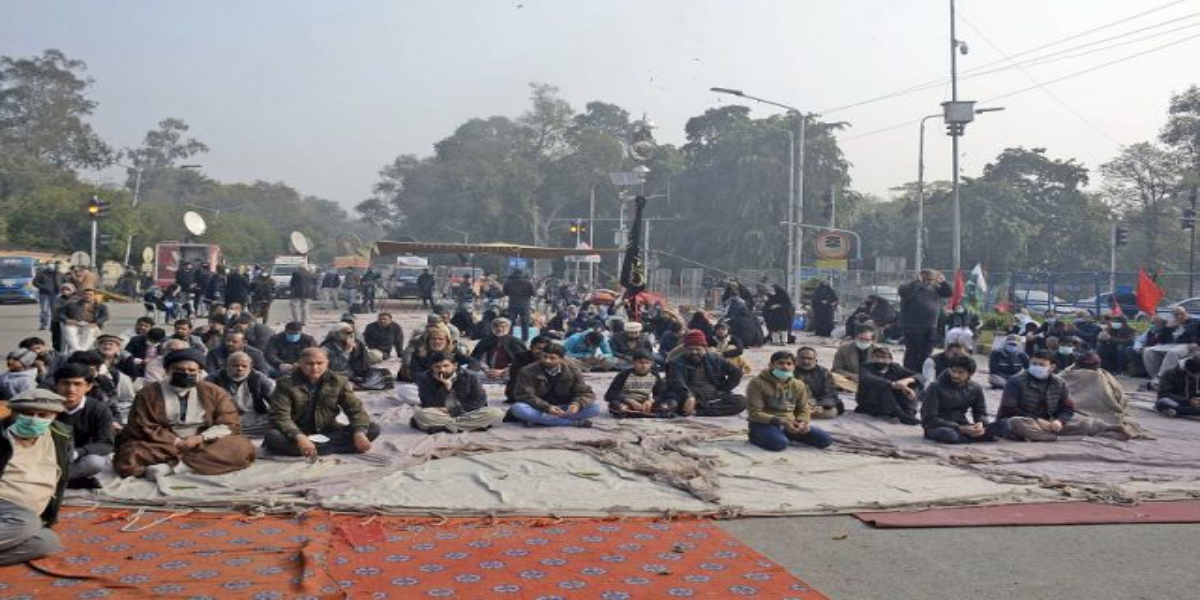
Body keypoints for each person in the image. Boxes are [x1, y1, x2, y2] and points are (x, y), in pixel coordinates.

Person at [113, 349, 256, 480]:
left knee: (241, 447)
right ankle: (198, 463)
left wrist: (199, 438)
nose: (186, 373)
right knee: (129, 455)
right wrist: (177, 441)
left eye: (191, 370)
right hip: (162, 443)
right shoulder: (149, 393)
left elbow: (229, 422)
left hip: (203, 441)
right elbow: (141, 424)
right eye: (179, 370)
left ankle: (174, 467)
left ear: (199, 372)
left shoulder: (214, 392)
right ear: (168, 370)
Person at [264, 348, 381, 457]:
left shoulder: (339, 381)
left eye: (319, 363)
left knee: (372, 428)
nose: (314, 368)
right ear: (300, 363)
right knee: (273, 436)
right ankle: (334, 448)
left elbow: (355, 409)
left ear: (327, 363)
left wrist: (359, 433)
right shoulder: (285, 384)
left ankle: (312, 449)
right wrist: (299, 436)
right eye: (309, 364)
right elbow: (280, 416)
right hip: (298, 431)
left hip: (328, 431)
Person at [0, 388, 72, 566]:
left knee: (46, 542)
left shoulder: (60, 437)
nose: (34, 419)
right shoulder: (2, 436)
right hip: (7, 508)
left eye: (43, 415)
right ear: (14, 413)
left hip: (28, 515)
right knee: (26, 522)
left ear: (54, 416)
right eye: (27, 413)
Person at [998, 350, 1131, 441]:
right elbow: (1009, 408)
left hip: (1049, 421)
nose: (1036, 367)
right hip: (1025, 420)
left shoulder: (1059, 383)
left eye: (1041, 364)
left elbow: (1068, 408)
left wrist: (1059, 421)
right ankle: (1058, 437)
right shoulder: (1016, 381)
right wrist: (1038, 420)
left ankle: (1109, 428)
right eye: (1033, 364)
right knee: (1015, 423)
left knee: (1083, 421)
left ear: (1052, 367)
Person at [745, 351, 834, 451]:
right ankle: (756, 435)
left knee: (825, 440)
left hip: (790, 423)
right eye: (780, 363)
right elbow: (754, 413)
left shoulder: (798, 384)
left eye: (789, 364)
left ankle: (785, 435)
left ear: (794, 366)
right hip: (765, 423)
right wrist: (782, 422)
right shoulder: (757, 383)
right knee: (779, 444)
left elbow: (803, 408)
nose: (785, 367)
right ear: (771, 365)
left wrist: (802, 423)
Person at [52, 364, 113, 488]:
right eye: (65, 383)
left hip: (78, 458)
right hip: (48, 457)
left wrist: (78, 452)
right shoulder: (45, 406)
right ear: (56, 385)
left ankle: (55, 480)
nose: (71, 389)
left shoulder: (99, 409)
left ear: (88, 387)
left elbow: (106, 443)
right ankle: (68, 482)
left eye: (77, 384)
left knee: (95, 463)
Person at [922, 355, 1007, 444]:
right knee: (949, 435)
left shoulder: (975, 388)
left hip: (963, 424)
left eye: (960, 372)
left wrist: (980, 423)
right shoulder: (935, 387)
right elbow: (929, 418)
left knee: (1004, 426)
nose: (955, 375)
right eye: (953, 371)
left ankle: (971, 436)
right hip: (938, 427)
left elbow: (980, 412)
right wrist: (960, 428)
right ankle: (974, 437)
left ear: (970, 374)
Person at [509, 344, 600, 427]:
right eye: (544, 357)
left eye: (552, 358)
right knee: (518, 408)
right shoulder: (527, 371)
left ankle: (540, 421)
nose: (547, 361)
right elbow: (524, 395)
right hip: (539, 408)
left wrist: (576, 404)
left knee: (595, 408)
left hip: (564, 407)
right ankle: (570, 423)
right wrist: (547, 408)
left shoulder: (573, 370)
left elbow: (585, 392)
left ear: (561, 359)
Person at [412, 352, 505, 433]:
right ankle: (470, 426)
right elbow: (428, 403)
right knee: (420, 415)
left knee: (496, 412)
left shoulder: (470, 376)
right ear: (432, 367)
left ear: (455, 366)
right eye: (437, 367)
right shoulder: (424, 378)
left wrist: (453, 410)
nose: (442, 370)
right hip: (442, 414)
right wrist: (445, 388)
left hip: (467, 412)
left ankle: (445, 428)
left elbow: (479, 401)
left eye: (446, 366)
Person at [663, 330, 746, 417]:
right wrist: (689, 396)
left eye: (697, 349)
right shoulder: (676, 362)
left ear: (705, 348)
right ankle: (694, 408)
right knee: (671, 403)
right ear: (685, 349)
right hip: (687, 396)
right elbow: (677, 382)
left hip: (713, 396)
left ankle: (699, 411)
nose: (694, 352)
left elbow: (736, 372)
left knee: (741, 401)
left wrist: (724, 389)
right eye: (690, 349)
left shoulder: (715, 358)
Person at [206, 352, 275, 437]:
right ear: (226, 366)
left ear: (250, 367)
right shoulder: (214, 379)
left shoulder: (259, 378)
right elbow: (206, 405)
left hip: (253, 418)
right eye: (235, 366)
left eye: (244, 366)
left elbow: (275, 401)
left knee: (274, 423)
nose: (240, 369)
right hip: (225, 419)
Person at [897, 269, 953, 372]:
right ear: (921, 277)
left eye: (932, 280)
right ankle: (908, 372)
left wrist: (943, 282)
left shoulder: (935, 288)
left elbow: (948, 293)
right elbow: (904, 292)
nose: (930, 282)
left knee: (926, 352)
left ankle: (921, 374)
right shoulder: (910, 287)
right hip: (912, 326)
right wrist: (916, 283)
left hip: (930, 326)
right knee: (913, 352)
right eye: (928, 279)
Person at [854, 346, 922, 425]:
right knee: (882, 386)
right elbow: (867, 378)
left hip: (891, 401)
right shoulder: (865, 367)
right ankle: (899, 414)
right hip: (870, 402)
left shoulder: (895, 367)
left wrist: (906, 381)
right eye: (876, 357)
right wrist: (892, 384)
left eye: (884, 357)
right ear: (872, 358)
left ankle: (909, 412)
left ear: (890, 359)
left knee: (913, 385)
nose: (880, 360)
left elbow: (919, 376)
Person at [605, 350, 672, 418]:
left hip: (644, 404)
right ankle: (645, 414)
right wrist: (630, 401)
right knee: (615, 405)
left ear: (651, 364)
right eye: (640, 363)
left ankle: (635, 413)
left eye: (647, 363)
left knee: (666, 405)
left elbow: (661, 394)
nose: (644, 366)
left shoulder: (654, 375)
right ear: (633, 363)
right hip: (626, 402)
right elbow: (609, 395)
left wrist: (650, 401)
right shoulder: (624, 375)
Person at [470, 317, 527, 382]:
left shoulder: (516, 342)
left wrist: (504, 371)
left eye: (503, 327)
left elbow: (522, 361)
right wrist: (486, 370)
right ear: (492, 328)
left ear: (508, 328)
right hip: (486, 372)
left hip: (509, 373)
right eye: (496, 326)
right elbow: (476, 358)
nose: (499, 329)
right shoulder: (485, 340)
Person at [794, 346, 843, 418]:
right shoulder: (789, 370)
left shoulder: (824, 372)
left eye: (809, 359)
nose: (805, 361)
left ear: (815, 360)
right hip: (797, 403)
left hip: (818, 404)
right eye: (802, 358)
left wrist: (820, 404)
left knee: (831, 412)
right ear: (796, 359)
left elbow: (829, 393)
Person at [59, 288, 108, 354]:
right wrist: (67, 320)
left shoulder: (101, 306)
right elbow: (61, 314)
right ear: (81, 295)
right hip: (75, 323)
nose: (87, 296)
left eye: (90, 295)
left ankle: (81, 351)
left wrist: (96, 323)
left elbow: (105, 316)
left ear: (94, 296)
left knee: (91, 331)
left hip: (90, 324)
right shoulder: (72, 304)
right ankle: (78, 350)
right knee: (69, 329)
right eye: (85, 294)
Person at [504, 335, 551, 403]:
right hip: (523, 390)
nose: (541, 352)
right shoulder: (521, 358)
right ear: (531, 348)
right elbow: (516, 378)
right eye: (538, 348)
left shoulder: (553, 359)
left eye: (545, 349)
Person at [206, 331, 272, 377]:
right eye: (228, 340)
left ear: (244, 343)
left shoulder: (256, 354)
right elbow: (211, 372)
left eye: (234, 342)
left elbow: (263, 371)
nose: (230, 343)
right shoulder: (214, 353)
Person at [831, 325, 876, 392]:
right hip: (849, 380)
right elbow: (836, 369)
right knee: (832, 377)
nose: (863, 342)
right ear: (855, 337)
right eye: (860, 338)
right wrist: (852, 376)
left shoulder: (877, 351)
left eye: (866, 340)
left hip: (869, 381)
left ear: (873, 340)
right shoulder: (844, 349)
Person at [503, 270, 536, 343]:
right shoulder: (528, 282)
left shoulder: (508, 282)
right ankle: (525, 339)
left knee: (510, 322)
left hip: (512, 304)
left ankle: (509, 338)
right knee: (525, 323)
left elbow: (505, 292)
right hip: (525, 305)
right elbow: (534, 293)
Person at [33, 263, 64, 331]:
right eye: (49, 265)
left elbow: (66, 281)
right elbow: (35, 282)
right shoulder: (41, 273)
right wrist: (43, 287)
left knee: (54, 311)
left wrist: (62, 289)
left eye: (52, 265)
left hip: (56, 294)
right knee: (44, 310)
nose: (50, 266)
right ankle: (44, 325)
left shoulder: (59, 273)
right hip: (44, 294)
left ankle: (54, 325)